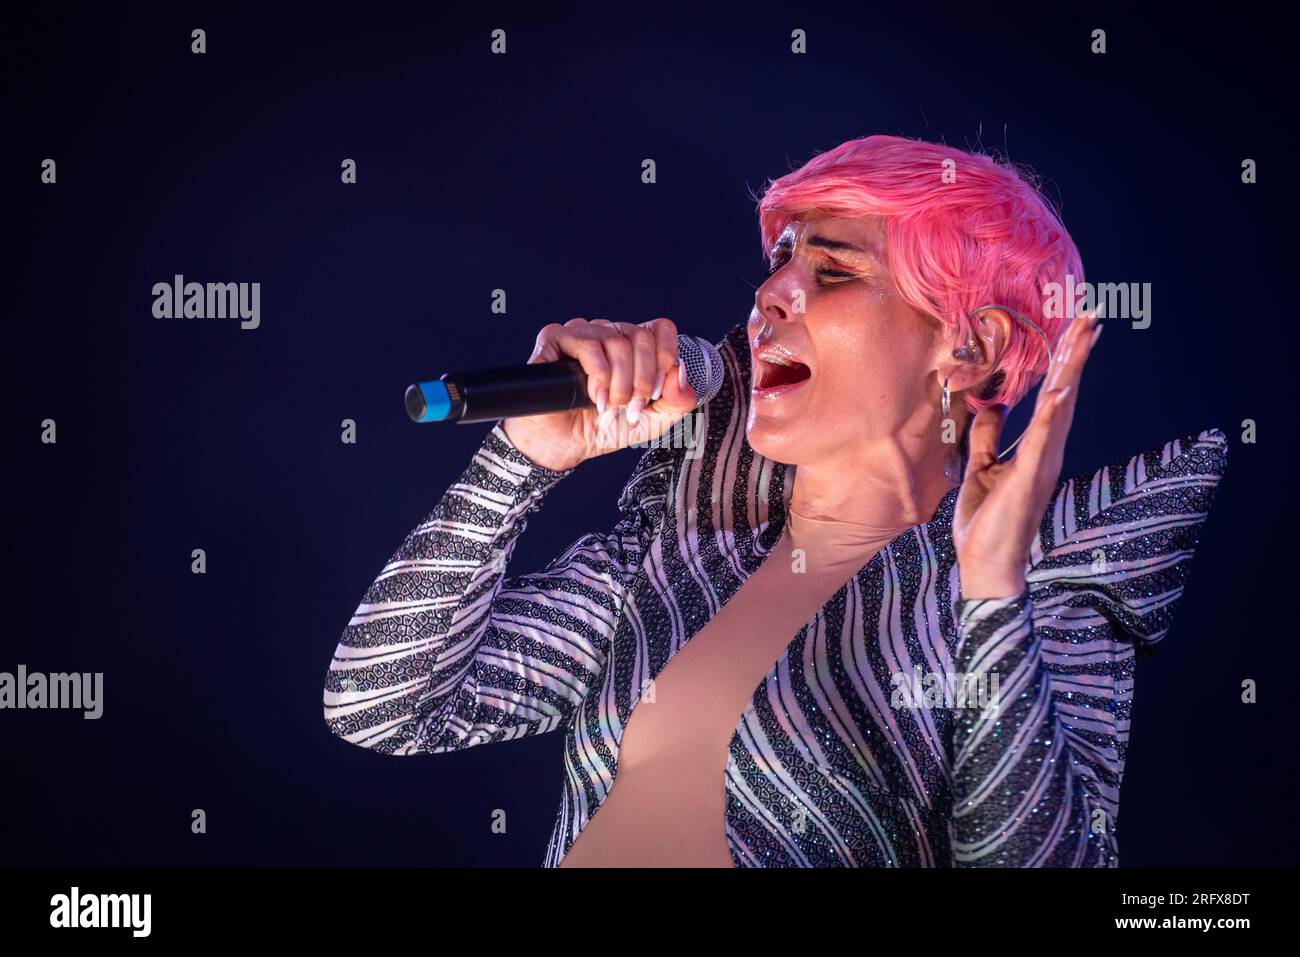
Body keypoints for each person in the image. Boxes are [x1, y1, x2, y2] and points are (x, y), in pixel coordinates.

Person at [321, 134, 1228, 867]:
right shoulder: (676, 560)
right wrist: (522, 459)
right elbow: (382, 703)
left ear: (969, 347)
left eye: (832, 272)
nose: (768, 295)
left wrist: (991, 594)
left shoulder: (1037, 603)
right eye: (780, 263)